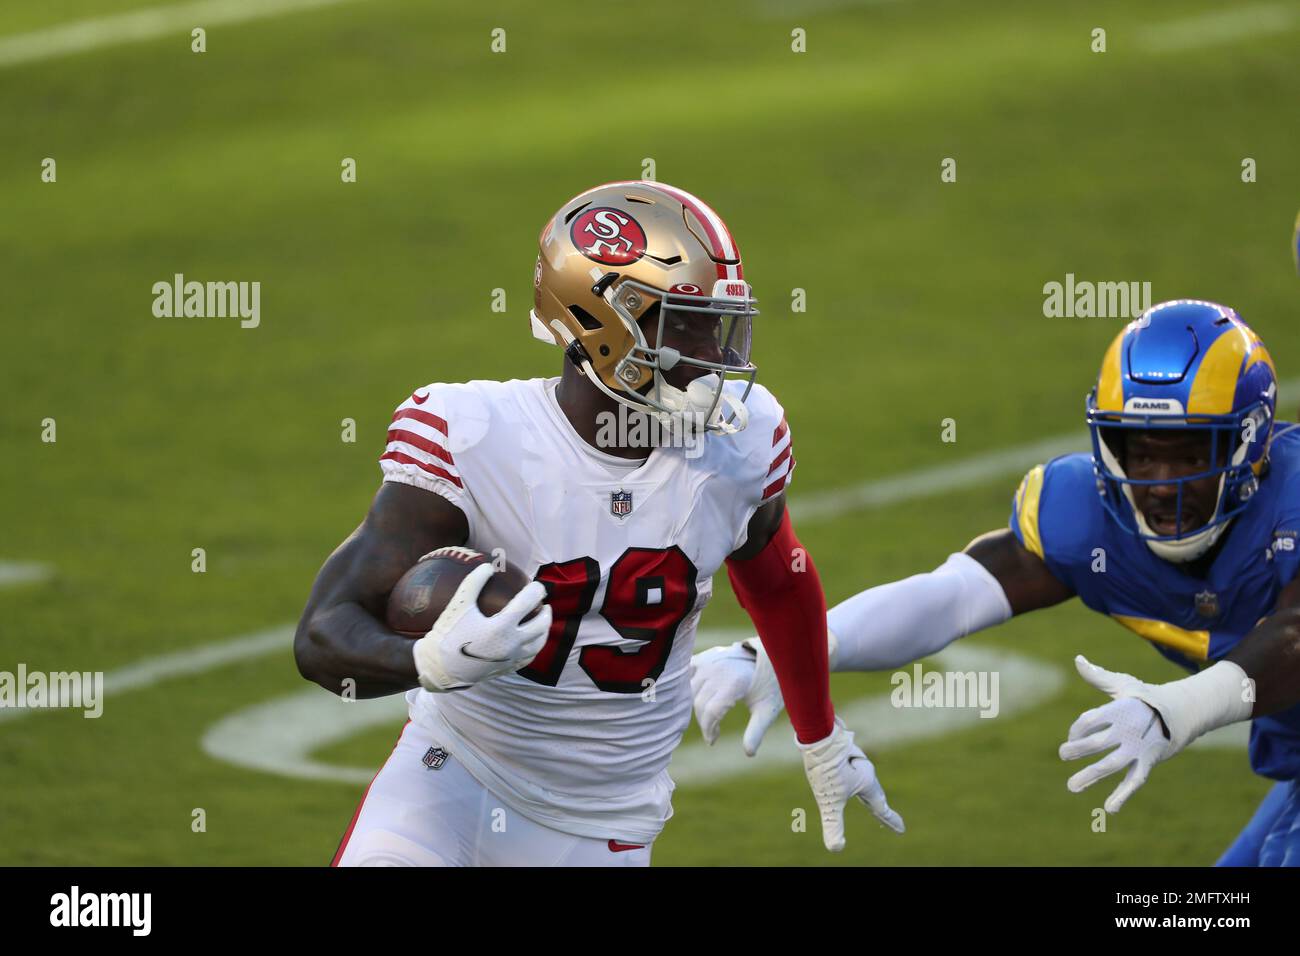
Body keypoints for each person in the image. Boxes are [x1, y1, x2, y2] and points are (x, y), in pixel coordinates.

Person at [295, 180, 903, 866]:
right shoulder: (473, 436)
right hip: (449, 785)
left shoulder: (741, 442)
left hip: (605, 828)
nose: (722, 356)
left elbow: (779, 582)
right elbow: (323, 634)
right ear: (603, 321)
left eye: (723, 324)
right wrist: (426, 662)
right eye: (689, 323)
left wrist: (820, 737)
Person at [692, 299, 1300, 866]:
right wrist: (787, 649)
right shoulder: (1083, 516)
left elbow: (1294, 641)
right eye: (1140, 453)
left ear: (1252, 443)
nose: (1161, 483)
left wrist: (1177, 709)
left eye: (1192, 455)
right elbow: (952, 596)